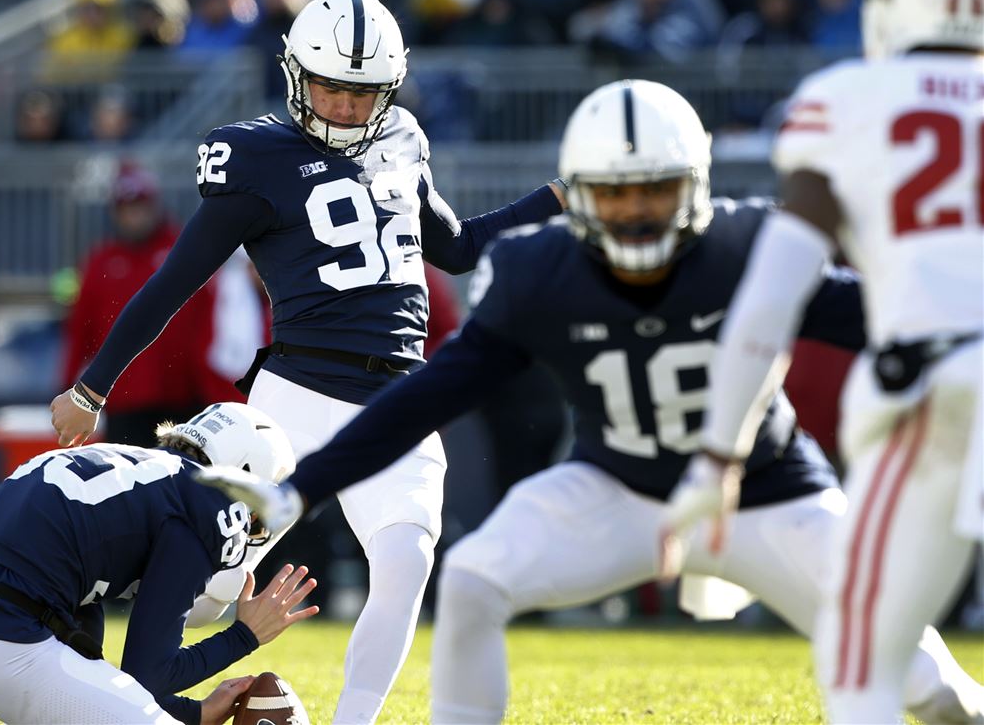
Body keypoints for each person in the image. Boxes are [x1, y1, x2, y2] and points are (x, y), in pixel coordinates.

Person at [201, 80, 984, 725]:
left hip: (765, 490)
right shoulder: (543, 272)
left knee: (930, 690)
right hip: (619, 485)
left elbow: (888, 312)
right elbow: (421, 400)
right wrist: (301, 487)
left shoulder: (749, 249)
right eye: (614, 196)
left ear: (697, 188)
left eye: (656, 193)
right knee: (472, 578)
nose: (637, 214)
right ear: (579, 197)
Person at [50, 0, 566, 725]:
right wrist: (94, 388)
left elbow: (455, 248)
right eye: (332, 88)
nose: (350, 107)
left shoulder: (404, 137)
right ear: (297, 75)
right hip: (296, 400)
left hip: (403, 398)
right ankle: (116, 691)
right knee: (206, 583)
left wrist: (559, 197)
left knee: (407, 564)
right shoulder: (255, 155)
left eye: (365, 93)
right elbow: (173, 283)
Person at [673, 0, 984, 722]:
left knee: (862, 659)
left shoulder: (847, 99)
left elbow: (775, 296)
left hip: (941, 382)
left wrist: (717, 455)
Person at [0, 402, 318, 725]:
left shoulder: (116, 463)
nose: (249, 525)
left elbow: (95, 668)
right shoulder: (204, 502)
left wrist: (190, 714)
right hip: (1, 645)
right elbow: (149, 672)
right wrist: (243, 636)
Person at [62, 163, 239, 448]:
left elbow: (211, 324)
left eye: (141, 207)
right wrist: (70, 387)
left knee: (180, 485)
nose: (136, 216)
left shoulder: (182, 249)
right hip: (122, 400)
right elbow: (81, 329)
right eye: (128, 209)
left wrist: (210, 387)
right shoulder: (100, 262)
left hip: (183, 397)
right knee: (124, 485)